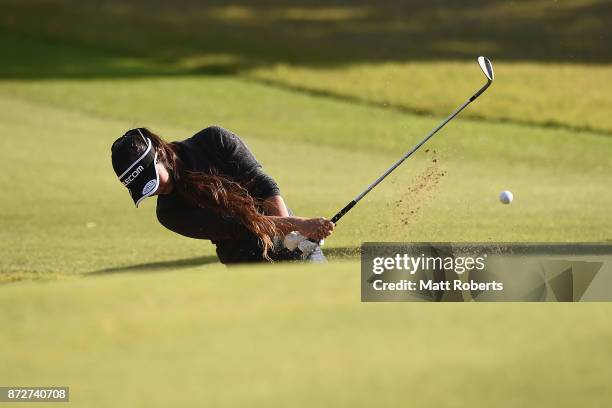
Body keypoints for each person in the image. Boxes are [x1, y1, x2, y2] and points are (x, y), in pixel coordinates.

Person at [110, 126, 334, 264]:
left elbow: (263, 185)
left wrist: (292, 233)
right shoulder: (170, 214)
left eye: (152, 179)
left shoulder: (212, 141)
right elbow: (239, 225)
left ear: (159, 152)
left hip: (292, 238)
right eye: (144, 189)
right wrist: (295, 226)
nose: (154, 190)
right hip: (248, 268)